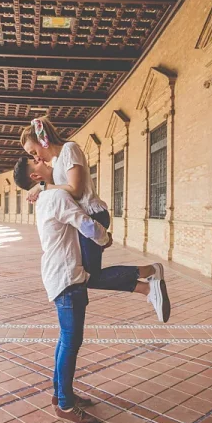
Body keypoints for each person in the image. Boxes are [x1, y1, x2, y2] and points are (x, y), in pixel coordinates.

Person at [21, 117, 170, 322]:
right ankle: (147, 285)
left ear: (42, 140)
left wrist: (43, 187)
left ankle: (151, 275)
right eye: (32, 156)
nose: (36, 156)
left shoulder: (70, 149)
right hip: (85, 220)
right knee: (89, 277)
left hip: (93, 214)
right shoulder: (56, 164)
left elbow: (75, 189)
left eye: (33, 151)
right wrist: (42, 185)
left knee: (90, 277)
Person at [13, 155, 113, 423]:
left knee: (66, 339)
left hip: (61, 273)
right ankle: (66, 405)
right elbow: (86, 224)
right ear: (36, 176)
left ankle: (61, 394)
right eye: (37, 161)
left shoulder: (47, 197)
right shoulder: (56, 198)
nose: (42, 159)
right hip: (66, 275)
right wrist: (106, 238)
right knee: (70, 341)